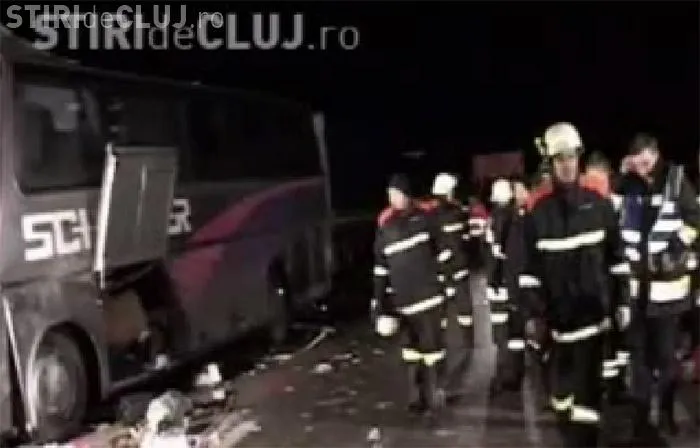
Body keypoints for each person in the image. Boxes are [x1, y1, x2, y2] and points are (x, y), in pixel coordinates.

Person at [519, 122, 631, 447]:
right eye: (560, 158)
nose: (567, 164)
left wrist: (622, 301)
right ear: (550, 163)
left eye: (571, 156)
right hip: (557, 329)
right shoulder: (537, 215)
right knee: (562, 398)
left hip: (594, 323)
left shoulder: (600, 206)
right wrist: (533, 316)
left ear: (579, 158)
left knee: (588, 403)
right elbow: (529, 273)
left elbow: (617, 260)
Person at [615, 133, 700, 436]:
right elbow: (617, 220)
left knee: (665, 358)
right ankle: (640, 418)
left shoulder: (676, 180)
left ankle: (665, 411)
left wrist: (676, 248)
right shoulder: (628, 184)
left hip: (668, 290)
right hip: (637, 289)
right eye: (636, 161)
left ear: (655, 154)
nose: (641, 166)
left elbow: (694, 220)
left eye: (645, 160)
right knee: (638, 357)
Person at [371, 173, 452, 417]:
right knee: (410, 352)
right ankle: (416, 397)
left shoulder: (425, 219)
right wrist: (380, 305)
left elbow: (443, 254)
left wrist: (445, 285)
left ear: (407, 194)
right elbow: (381, 270)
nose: (393, 199)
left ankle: (437, 391)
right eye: (390, 194)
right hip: (404, 304)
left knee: (433, 350)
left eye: (397, 194)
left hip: (429, 299)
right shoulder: (386, 228)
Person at [582, 151, 631, 405]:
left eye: (598, 180)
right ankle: (602, 386)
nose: (594, 186)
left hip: (615, 281)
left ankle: (616, 384)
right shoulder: (583, 206)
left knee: (619, 337)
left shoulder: (620, 205)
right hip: (594, 285)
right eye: (590, 180)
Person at [423, 173, 474, 364]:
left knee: (448, 309)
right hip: (453, 269)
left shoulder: (432, 216)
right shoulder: (455, 212)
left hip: (446, 270)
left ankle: (444, 342)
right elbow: (465, 240)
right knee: (460, 307)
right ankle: (467, 342)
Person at [487, 177, 530, 395]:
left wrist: (494, 280)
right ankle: (516, 372)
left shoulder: (499, 219)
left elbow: (496, 254)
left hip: (502, 283)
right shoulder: (520, 218)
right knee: (516, 330)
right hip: (516, 283)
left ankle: (505, 374)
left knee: (501, 331)